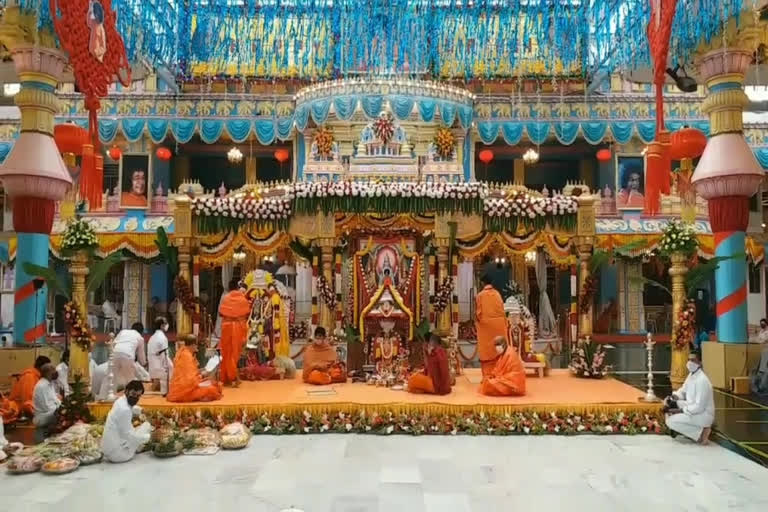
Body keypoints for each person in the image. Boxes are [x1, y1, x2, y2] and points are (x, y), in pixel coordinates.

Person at [664, 351, 715, 444]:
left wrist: (679, 410)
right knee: (668, 405)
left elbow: (699, 407)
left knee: (670, 421)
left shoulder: (702, 380)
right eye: (688, 360)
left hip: (703, 414)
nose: (690, 363)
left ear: (700, 363)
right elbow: (683, 391)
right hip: (692, 408)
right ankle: (696, 430)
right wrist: (674, 397)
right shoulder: (692, 375)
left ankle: (702, 433)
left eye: (693, 360)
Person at [101, 380, 152, 463]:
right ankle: (138, 447)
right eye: (133, 394)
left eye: (138, 396)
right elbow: (129, 435)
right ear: (127, 391)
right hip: (119, 455)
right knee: (146, 427)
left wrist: (141, 410)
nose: (136, 398)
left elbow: (130, 407)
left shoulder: (120, 400)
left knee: (142, 429)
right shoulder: (125, 410)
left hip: (108, 450)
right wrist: (148, 438)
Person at [167, 336, 222, 403]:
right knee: (212, 389)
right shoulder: (186, 356)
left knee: (213, 383)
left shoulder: (183, 351)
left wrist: (202, 370)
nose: (197, 347)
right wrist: (201, 375)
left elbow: (190, 372)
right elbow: (189, 380)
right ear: (192, 345)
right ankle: (201, 397)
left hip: (184, 387)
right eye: (196, 345)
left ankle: (201, 396)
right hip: (184, 391)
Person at [475, 273, 510, 378]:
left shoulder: (480, 295)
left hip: (486, 327)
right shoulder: (497, 294)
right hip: (499, 326)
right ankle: (501, 374)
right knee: (498, 351)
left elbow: (479, 314)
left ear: (482, 283)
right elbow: (502, 311)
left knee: (487, 351)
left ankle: (487, 376)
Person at [218, 279, 251, 387]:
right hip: (237, 328)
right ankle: (232, 378)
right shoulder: (242, 299)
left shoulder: (225, 298)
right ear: (237, 288)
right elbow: (246, 313)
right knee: (234, 354)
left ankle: (226, 377)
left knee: (226, 353)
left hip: (226, 327)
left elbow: (221, 314)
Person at [112, 323, 147, 391]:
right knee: (130, 379)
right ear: (141, 331)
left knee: (112, 377)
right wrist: (144, 363)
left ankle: (108, 396)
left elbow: (114, 343)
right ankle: (130, 397)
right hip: (128, 356)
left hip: (115, 353)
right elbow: (141, 354)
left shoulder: (123, 331)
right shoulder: (140, 337)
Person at [32, 363, 61, 442]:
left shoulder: (50, 383)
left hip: (49, 413)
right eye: (53, 370)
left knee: (65, 411)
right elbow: (46, 407)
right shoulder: (41, 386)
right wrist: (59, 409)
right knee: (61, 413)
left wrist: (62, 407)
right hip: (42, 416)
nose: (56, 372)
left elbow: (56, 399)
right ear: (47, 373)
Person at [147, 317, 173, 395]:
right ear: (162, 326)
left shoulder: (153, 336)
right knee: (171, 367)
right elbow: (164, 355)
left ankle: (157, 386)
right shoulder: (162, 337)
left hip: (152, 365)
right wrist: (168, 365)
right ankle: (165, 391)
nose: (167, 325)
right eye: (165, 323)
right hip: (159, 365)